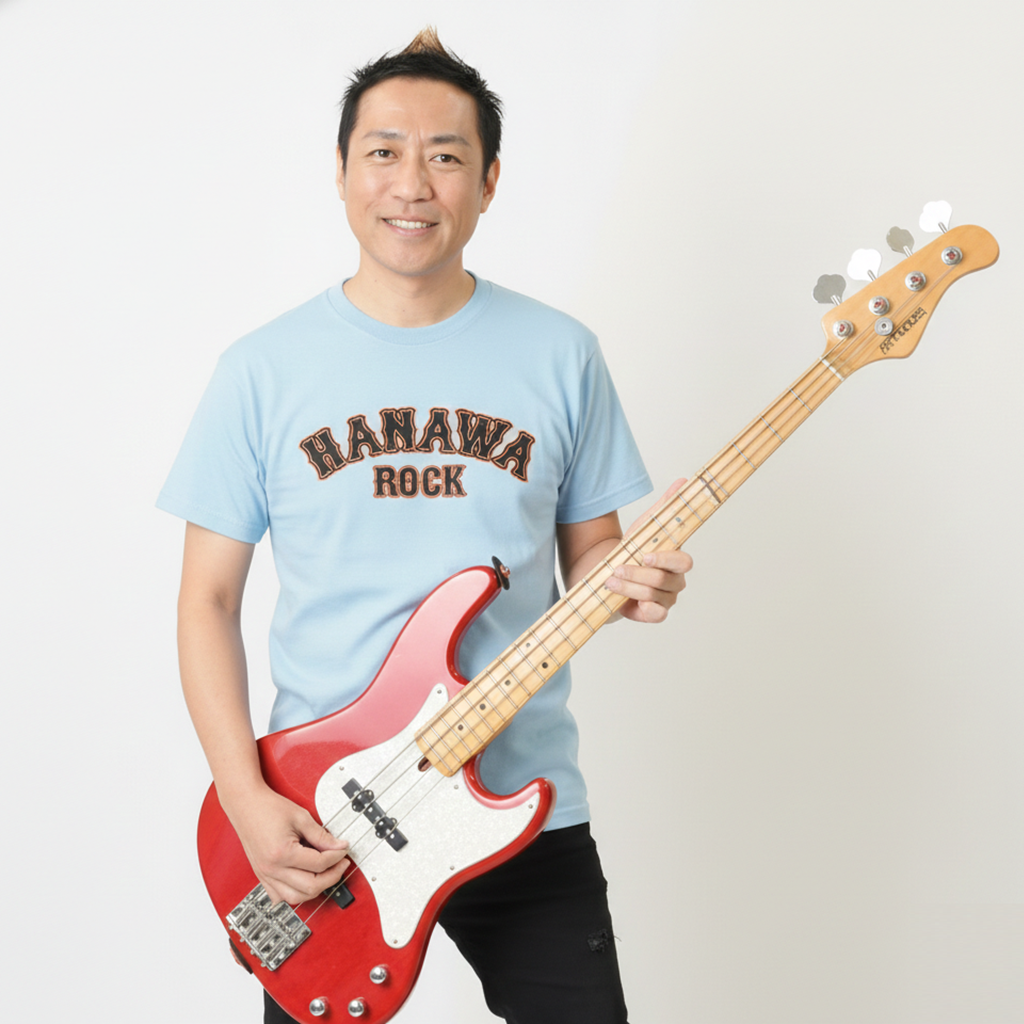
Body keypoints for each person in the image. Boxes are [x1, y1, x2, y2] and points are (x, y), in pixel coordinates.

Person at [159, 28, 692, 1024]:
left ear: (489, 182)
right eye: (384, 151)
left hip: (522, 800)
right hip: (323, 815)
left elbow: (593, 556)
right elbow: (207, 601)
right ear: (340, 172)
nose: (412, 184)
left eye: (446, 156)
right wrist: (243, 797)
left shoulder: (561, 354)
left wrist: (633, 584)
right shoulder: (260, 370)